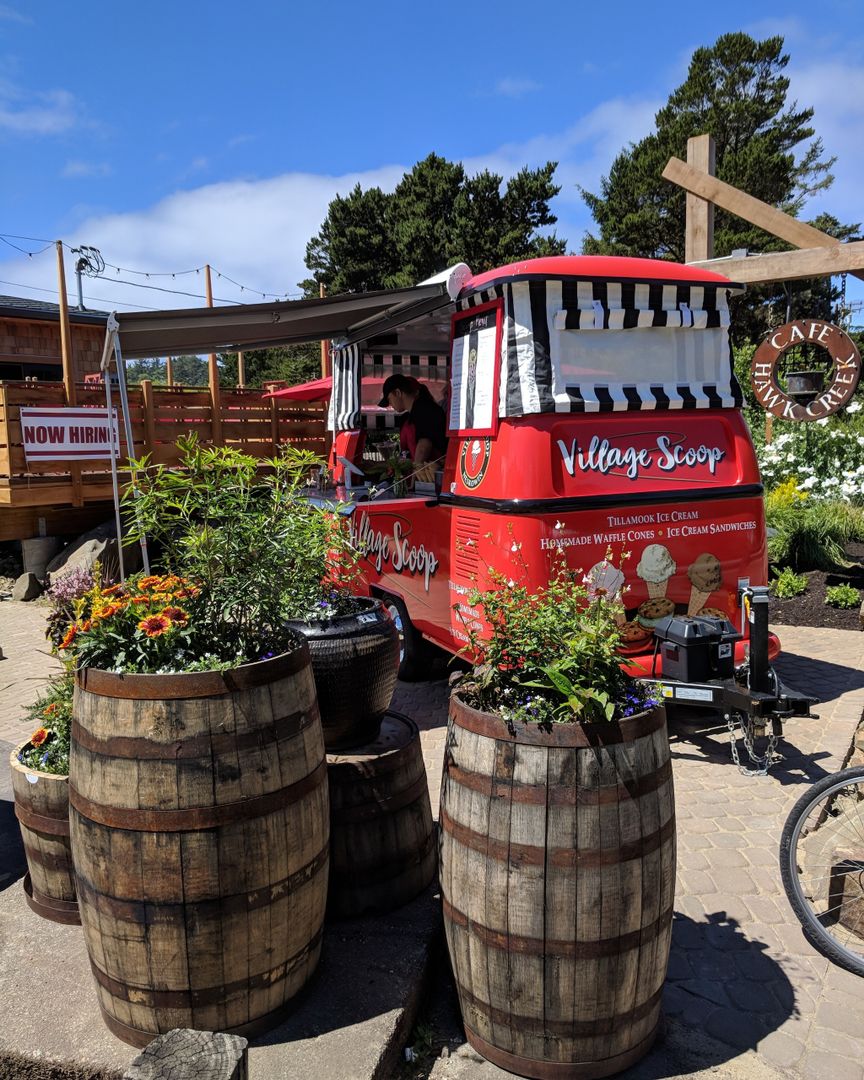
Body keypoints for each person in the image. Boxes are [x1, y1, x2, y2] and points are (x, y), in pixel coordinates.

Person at [378, 374, 448, 465]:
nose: (390, 404)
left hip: (430, 473)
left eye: (389, 399)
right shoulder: (409, 416)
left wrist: (415, 471)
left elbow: (424, 446)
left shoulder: (425, 409)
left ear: (398, 393)